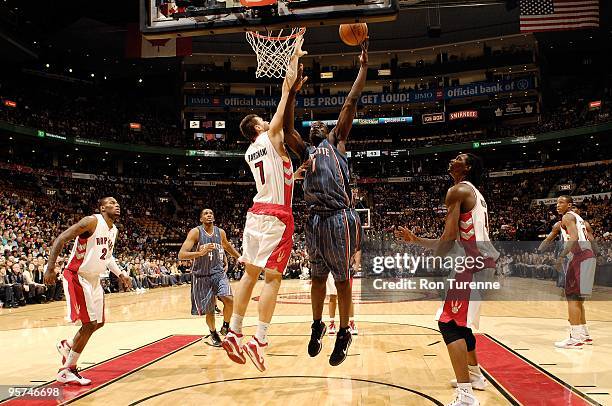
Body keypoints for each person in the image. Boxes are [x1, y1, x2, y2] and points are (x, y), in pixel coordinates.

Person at [221, 38, 306, 372]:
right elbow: (285, 89)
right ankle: (259, 338)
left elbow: (276, 175)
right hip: (277, 217)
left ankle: (234, 331)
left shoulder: (249, 151)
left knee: (249, 274)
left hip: (256, 214)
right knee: (272, 280)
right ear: (258, 126)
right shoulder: (270, 136)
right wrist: (294, 58)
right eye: (263, 119)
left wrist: (293, 174)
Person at [283, 42, 368, 366]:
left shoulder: (337, 142)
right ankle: (318, 324)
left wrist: (362, 68)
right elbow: (289, 127)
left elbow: (350, 101)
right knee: (317, 279)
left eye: (322, 124)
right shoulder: (304, 151)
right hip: (316, 220)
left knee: (343, 279)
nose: (316, 125)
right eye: (313, 125)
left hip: (339, 217)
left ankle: (344, 331)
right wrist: (291, 91)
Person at [394, 153, 498, 406]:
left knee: (449, 323)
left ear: (468, 167)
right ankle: (475, 377)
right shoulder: (475, 194)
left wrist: (434, 258)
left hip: (470, 266)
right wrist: (417, 241)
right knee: (462, 325)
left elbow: (448, 239)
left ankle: (465, 396)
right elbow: (454, 240)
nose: (453, 159)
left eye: (460, 158)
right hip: (481, 262)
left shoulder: (458, 190)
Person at [44, 197, 131, 386]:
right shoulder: (91, 221)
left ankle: (67, 346)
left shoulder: (113, 230)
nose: (116, 205)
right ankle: (67, 370)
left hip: (94, 279)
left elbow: (107, 257)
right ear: (102, 208)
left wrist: (121, 273)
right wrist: (50, 267)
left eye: (117, 203)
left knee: (98, 323)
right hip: (77, 275)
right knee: (89, 324)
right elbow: (61, 238)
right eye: (112, 202)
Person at [178, 209, 240, 347]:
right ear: (201, 219)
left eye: (211, 213)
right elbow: (181, 254)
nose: (209, 215)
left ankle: (226, 325)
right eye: (205, 213)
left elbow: (228, 246)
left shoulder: (221, 232)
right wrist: (200, 252)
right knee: (210, 310)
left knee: (229, 299)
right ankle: (213, 333)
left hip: (218, 273)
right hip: (201, 276)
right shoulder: (196, 232)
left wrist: (240, 258)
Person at [549, 196, 597, 348]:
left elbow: (574, 237)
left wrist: (560, 257)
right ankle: (584, 334)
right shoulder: (579, 218)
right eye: (557, 202)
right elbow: (590, 238)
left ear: (569, 205)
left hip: (580, 257)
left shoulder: (567, 216)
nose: (557, 205)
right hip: (588, 256)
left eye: (561, 202)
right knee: (578, 298)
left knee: (572, 297)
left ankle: (575, 338)